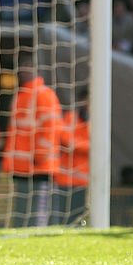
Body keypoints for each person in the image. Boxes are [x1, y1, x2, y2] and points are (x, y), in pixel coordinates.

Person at [1, 51, 62, 227]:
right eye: (21, 69)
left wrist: (41, 155)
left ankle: (38, 236)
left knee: (38, 209)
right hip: (21, 165)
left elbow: (50, 127)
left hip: (38, 165)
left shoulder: (44, 94)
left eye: (27, 68)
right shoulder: (21, 95)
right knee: (21, 208)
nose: (23, 72)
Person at [54, 88, 90, 225]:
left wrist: (77, 144)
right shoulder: (71, 117)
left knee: (81, 216)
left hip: (85, 180)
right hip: (65, 178)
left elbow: (97, 146)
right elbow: (65, 139)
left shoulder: (98, 123)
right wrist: (82, 145)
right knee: (63, 215)